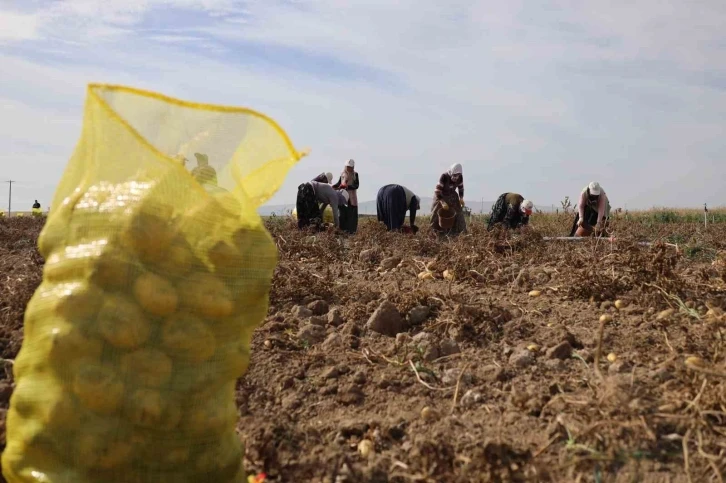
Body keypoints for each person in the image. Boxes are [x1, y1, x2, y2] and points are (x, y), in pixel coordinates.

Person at [333, 159, 359, 234]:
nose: (349, 168)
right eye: (348, 167)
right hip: (343, 197)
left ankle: (351, 232)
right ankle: (342, 230)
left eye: (351, 167)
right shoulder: (342, 174)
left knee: (351, 216)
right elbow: (339, 183)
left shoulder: (355, 174)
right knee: (342, 214)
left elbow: (356, 185)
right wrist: (334, 186)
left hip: (352, 199)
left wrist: (348, 186)